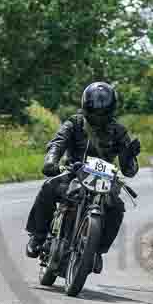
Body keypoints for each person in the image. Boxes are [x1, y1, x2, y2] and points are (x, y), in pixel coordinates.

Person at [24, 82, 141, 273]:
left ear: (111, 110)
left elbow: (129, 171)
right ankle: (38, 236)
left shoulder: (119, 132)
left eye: (103, 111)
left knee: (117, 208)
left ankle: (97, 251)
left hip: (104, 180)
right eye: (95, 110)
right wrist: (51, 160)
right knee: (49, 187)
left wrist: (129, 156)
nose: (99, 115)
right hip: (73, 172)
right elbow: (57, 143)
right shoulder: (75, 123)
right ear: (86, 105)